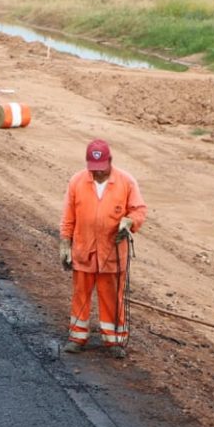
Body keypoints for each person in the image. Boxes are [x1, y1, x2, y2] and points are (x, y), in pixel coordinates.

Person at [59, 139, 147, 358]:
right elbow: (68, 217)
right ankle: (77, 338)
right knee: (81, 294)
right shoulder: (77, 182)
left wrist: (129, 222)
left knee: (112, 297)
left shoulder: (126, 182)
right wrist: (64, 244)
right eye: (94, 170)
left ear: (110, 162)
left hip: (112, 253)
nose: (97, 174)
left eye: (101, 169)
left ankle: (114, 341)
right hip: (84, 250)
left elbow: (139, 210)